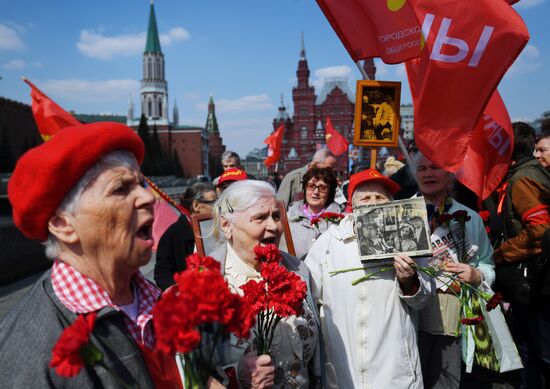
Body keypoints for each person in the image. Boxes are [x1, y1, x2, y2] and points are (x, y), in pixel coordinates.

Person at [0, 122, 185, 387]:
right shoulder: (30, 350)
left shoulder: (149, 297)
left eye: (142, 184)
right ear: (63, 225)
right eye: (121, 188)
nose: (147, 199)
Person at [305, 169, 433, 388]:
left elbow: (422, 300)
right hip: (344, 367)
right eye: (366, 197)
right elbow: (309, 299)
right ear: (353, 206)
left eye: (380, 197)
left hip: (394, 368)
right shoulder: (329, 243)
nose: (373, 203)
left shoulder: (408, 239)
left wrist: (409, 281)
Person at [210, 180, 323, 389]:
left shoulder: (298, 270)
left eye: (276, 216)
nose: (274, 226)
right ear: (227, 225)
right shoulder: (209, 282)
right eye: (260, 218)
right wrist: (235, 374)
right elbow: (188, 370)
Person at [412, 152, 495, 389]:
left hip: (452, 321)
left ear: (451, 175)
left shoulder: (471, 218)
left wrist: (477, 275)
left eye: (435, 168)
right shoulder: (400, 214)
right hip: (410, 318)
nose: (428, 173)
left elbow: (487, 265)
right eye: (422, 168)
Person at [493, 122, 550, 388]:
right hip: (535, 284)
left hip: (540, 285)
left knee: (540, 354)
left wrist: (500, 254)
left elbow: (539, 231)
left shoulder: (522, 178)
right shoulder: (527, 172)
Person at [154, 182, 217, 291]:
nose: (218, 206)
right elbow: (162, 273)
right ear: (196, 205)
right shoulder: (173, 234)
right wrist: (179, 290)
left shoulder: (217, 227)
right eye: (213, 202)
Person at [287, 167, 342, 259]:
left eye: (323, 188)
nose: (316, 192)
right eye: (311, 186)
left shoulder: (340, 220)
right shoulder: (288, 217)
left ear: (330, 192)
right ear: (305, 188)